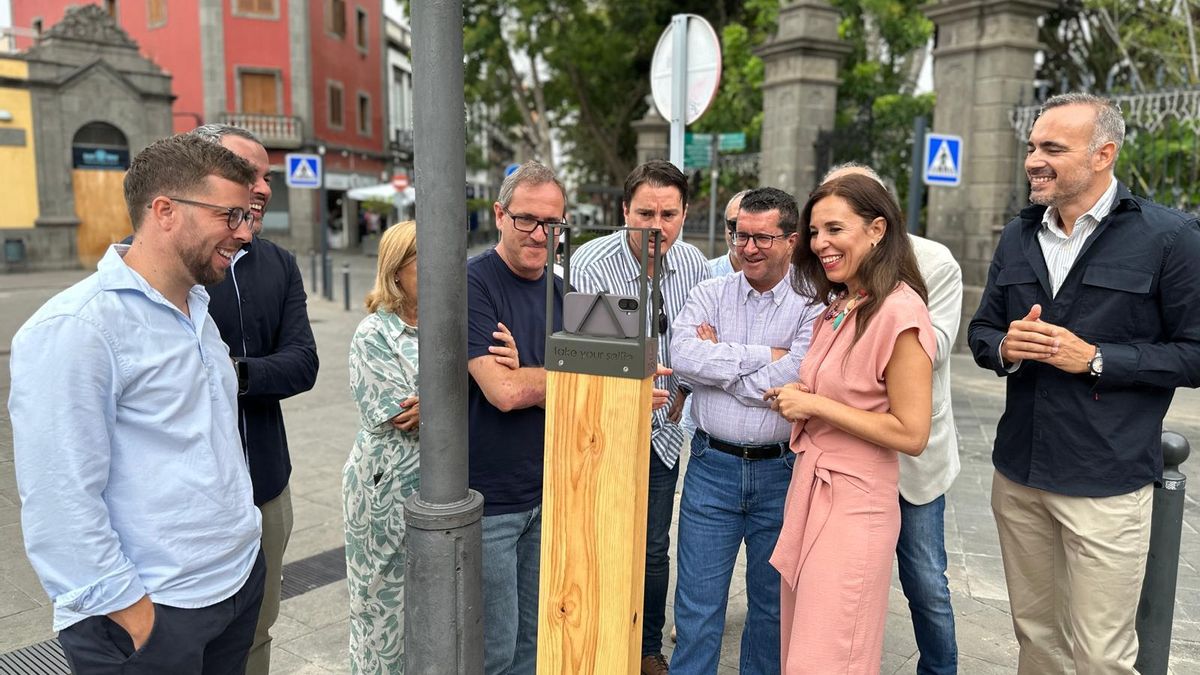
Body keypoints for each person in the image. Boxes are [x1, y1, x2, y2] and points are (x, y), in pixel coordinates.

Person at [9, 134, 265, 674]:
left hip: (234, 585)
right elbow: (59, 498)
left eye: (247, 214)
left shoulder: (197, 305)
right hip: (152, 615)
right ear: (165, 211)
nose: (245, 232)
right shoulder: (78, 327)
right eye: (231, 214)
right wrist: (127, 611)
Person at [968, 92, 1200, 674]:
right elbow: (982, 330)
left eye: (1052, 148)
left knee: (1101, 655)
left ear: (1104, 154)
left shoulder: (1170, 237)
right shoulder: (1019, 235)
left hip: (1107, 483)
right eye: (1031, 147)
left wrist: (1097, 358)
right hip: (1018, 474)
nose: (1033, 160)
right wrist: (1004, 347)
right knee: (1037, 640)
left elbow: (1194, 355)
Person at [766, 173, 936, 674]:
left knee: (831, 655)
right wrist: (801, 396)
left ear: (877, 229)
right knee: (803, 650)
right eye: (815, 232)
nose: (820, 244)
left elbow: (912, 433)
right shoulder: (842, 304)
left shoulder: (901, 311)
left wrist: (815, 407)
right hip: (813, 492)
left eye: (834, 229)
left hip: (855, 504)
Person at [669, 187, 823, 674]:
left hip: (781, 471)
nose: (748, 248)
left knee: (771, 609)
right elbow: (684, 360)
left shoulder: (813, 304)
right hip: (711, 467)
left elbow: (802, 372)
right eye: (740, 236)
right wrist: (768, 359)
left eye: (763, 238)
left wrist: (722, 364)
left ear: (793, 241)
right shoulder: (708, 293)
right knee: (696, 607)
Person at [571, 159, 711, 675]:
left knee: (654, 549)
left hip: (665, 432)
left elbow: (700, 348)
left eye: (668, 213)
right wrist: (629, 393)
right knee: (602, 538)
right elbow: (588, 357)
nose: (657, 225)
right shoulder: (590, 262)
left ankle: (647, 648)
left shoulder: (695, 265)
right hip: (604, 432)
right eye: (645, 212)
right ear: (623, 211)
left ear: (684, 214)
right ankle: (602, 640)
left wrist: (677, 400)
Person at [822, 163, 962, 674]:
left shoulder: (932, 262)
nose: (827, 238)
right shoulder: (830, 269)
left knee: (926, 581)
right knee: (846, 584)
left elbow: (937, 346)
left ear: (877, 216)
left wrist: (881, 309)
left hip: (910, 461)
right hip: (848, 460)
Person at [191, 123, 319, 675]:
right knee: (191, 643)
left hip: (267, 486)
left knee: (257, 633)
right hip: (191, 499)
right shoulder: (173, 266)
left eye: (266, 176)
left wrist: (231, 373)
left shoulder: (280, 264)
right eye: (250, 174)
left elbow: (303, 363)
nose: (263, 188)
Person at [467, 161, 566, 675]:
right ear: (500, 214)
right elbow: (503, 393)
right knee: (496, 655)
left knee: (534, 646)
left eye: (552, 223)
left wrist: (532, 374)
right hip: (491, 504)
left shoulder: (560, 290)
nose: (540, 234)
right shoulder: (473, 284)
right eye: (527, 219)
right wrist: (557, 378)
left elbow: (595, 386)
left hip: (546, 494)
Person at [344, 221, 420, 673]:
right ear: (396, 270)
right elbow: (404, 416)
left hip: (437, 487)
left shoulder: (450, 324)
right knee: (381, 610)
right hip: (383, 491)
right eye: (422, 261)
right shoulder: (374, 334)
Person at [707, 189, 751, 276]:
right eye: (734, 223)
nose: (740, 232)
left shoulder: (782, 277)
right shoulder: (704, 274)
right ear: (725, 228)